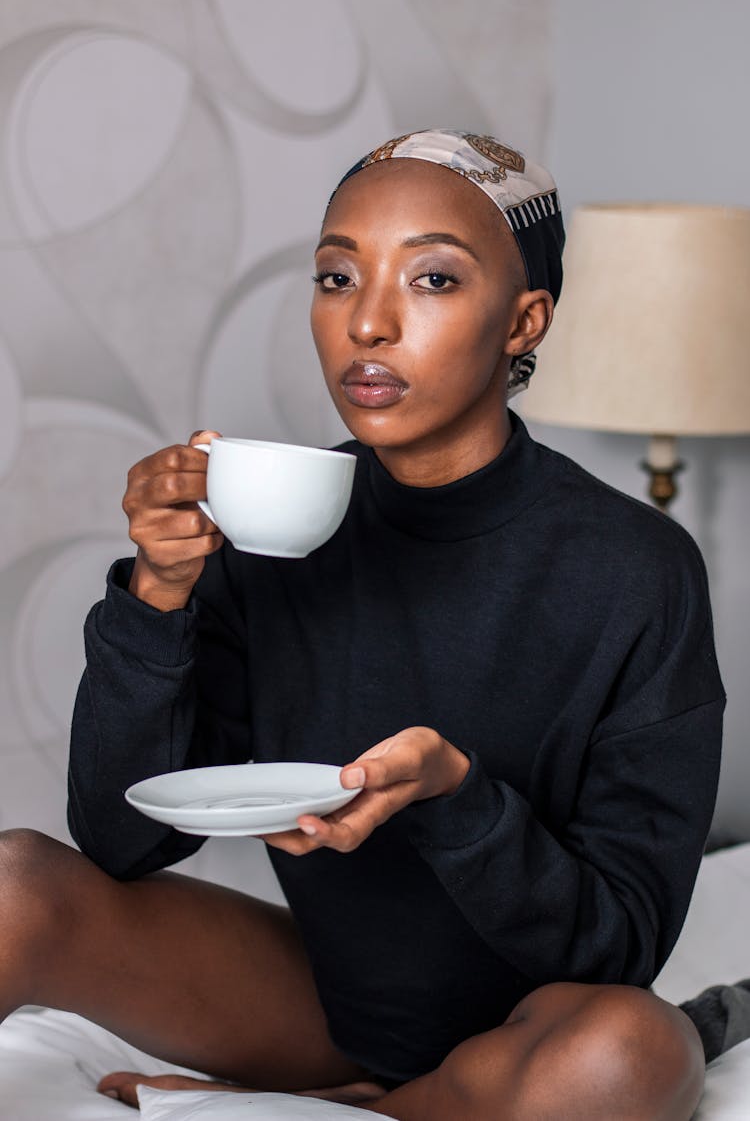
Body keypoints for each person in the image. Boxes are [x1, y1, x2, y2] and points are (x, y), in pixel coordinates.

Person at [0, 130, 725, 1119]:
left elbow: (620, 945)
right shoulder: (266, 531)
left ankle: (387, 1106)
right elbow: (120, 843)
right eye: (338, 277)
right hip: (321, 1002)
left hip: (534, 1032)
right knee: (12, 883)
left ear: (524, 320)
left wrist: (455, 796)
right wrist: (156, 595)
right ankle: (375, 1088)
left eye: (431, 279)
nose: (369, 324)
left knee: (629, 1057)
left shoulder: (638, 570)